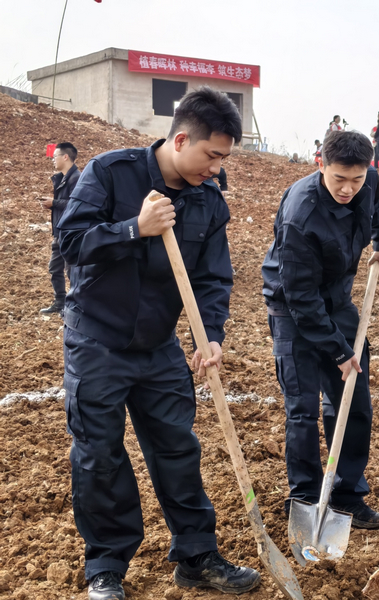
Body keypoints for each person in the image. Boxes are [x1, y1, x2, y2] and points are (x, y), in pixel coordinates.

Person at [58, 86, 260, 600]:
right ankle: (105, 566)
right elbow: (72, 244)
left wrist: (210, 335)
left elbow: (213, 279)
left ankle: (196, 555)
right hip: (97, 340)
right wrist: (134, 229)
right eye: (211, 155)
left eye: (223, 158)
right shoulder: (110, 173)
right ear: (181, 138)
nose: (215, 168)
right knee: (99, 455)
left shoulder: (209, 201)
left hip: (159, 345)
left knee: (178, 449)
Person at [261, 130, 379, 530]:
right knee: (302, 408)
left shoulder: (366, 181)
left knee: (353, 401)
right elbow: (302, 299)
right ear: (321, 164)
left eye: (356, 179)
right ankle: (304, 497)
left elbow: (376, 210)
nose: (348, 188)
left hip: (337, 301)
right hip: (292, 307)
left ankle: (347, 495)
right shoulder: (300, 215)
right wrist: (339, 351)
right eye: (339, 179)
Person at [39, 142, 80, 315]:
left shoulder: (77, 178)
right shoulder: (62, 178)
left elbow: (76, 204)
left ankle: (76, 305)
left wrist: (54, 203)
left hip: (70, 233)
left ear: (65, 157)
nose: (52, 160)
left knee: (72, 272)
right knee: (54, 268)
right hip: (59, 232)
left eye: (55, 156)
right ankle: (60, 302)